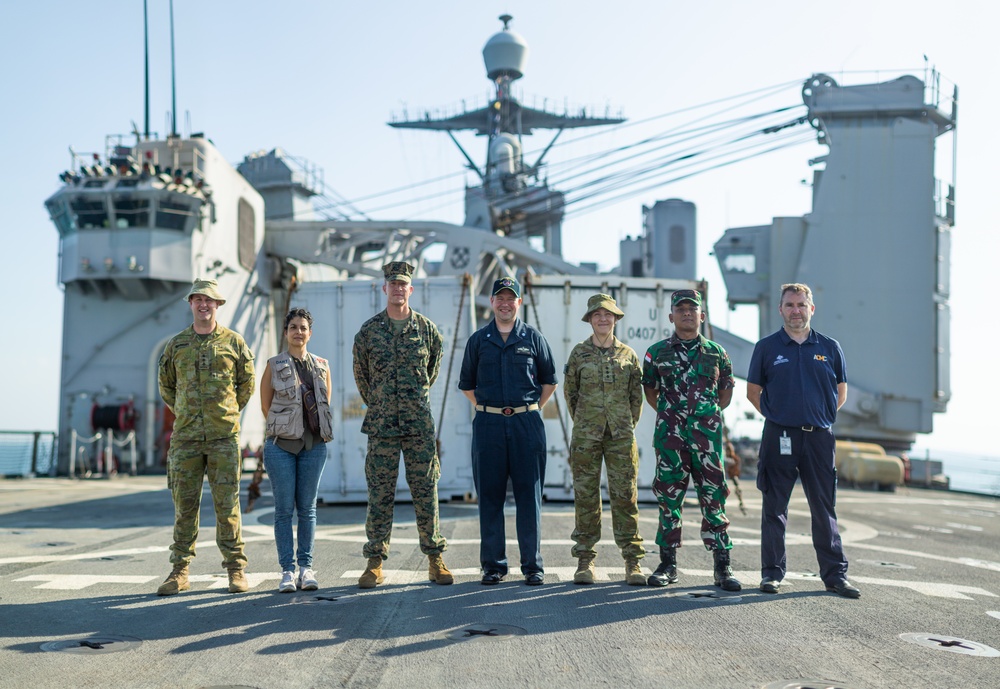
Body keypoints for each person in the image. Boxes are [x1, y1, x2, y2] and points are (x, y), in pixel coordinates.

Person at [746, 283, 860, 598]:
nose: (796, 311)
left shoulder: (831, 347)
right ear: (780, 310)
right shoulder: (767, 347)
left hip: (820, 438)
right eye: (790, 305)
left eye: (801, 305)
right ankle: (771, 574)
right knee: (774, 508)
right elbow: (753, 392)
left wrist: (818, 416)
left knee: (824, 508)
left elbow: (841, 392)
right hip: (779, 435)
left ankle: (835, 576)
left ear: (811, 308)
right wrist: (781, 415)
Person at [352, 262, 451, 589]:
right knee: (379, 493)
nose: (397, 289)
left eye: (403, 284)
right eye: (392, 284)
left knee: (426, 490)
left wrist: (410, 399)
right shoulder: (369, 332)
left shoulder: (426, 330)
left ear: (411, 290)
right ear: (385, 289)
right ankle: (375, 562)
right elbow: (362, 378)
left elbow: (432, 371)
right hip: (381, 426)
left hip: (418, 424)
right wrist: (381, 402)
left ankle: (435, 559)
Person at [156, 278, 255, 595]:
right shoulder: (177, 345)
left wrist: (224, 412)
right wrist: (186, 412)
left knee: (228, 507)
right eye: (197, 299)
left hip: (223, 437)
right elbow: (166, 387)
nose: (203, 304)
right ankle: (179, 571)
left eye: (209, 300)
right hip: (185, 439)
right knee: (184, 507)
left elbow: (246, 384)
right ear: (190, 304)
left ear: (218, 305)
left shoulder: (234, 343)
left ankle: (236, 569)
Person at [458, 276, 557, 586]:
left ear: (519, 302)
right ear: (492, 302)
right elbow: (467, 385)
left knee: (530, 496)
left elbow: (549, 381)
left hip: (527, 425)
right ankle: (493, 566)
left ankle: (532, 566)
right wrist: (491, 410)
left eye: (510, 297)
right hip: (488, 425)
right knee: (490, 497)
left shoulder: (534, 338)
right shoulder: (478, 340)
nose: (504, 302)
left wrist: (527, 410)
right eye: (499, 297)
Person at [641, 289, 741, 591]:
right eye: (680, 309)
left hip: (707, 439)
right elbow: (650, 391)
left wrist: (702, 416)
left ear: (702, 316)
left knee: (714, 498)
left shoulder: (717, 353)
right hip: (671, 439)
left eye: (692, 309)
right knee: (668, 499)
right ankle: (667, 564)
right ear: (671, 316)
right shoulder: (656, 352)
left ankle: (722, 567)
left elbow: (724, 395)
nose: (686, 313)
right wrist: (674, 415)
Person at [564, 293, 646, 586]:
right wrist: (587, 422)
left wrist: (623, 424)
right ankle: (585, 560)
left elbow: (636, 398)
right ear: (589, 319)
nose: (603, 319)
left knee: (626, 495)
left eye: (608, 315)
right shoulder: (578, 354)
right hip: (586, 435)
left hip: (621, 436)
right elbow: (570, 395)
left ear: (615, 319)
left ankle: (632, 561)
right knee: (586, 497)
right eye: (597, 315)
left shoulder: (629, 355)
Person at [260, 308, 334, 593]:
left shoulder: (322, 365)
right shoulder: (273, 364)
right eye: (293, 327)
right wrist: (288, 429)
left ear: (310, 333)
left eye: (303, 327)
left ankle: (306, 568)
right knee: (283, 511)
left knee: (308, 510)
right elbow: (265, 405)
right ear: (286, 332)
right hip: (281, 447)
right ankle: (287, 572)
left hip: (314, 447)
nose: (298, 332)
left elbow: (326, 402)